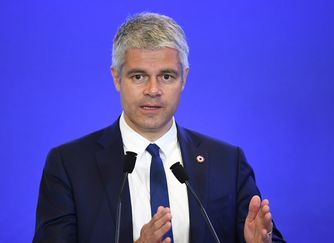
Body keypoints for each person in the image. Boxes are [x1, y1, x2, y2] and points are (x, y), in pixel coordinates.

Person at [33, 12, 285, 243]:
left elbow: (267, 237)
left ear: (184, 78)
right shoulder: (69, 165)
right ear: (116, 78)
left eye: (166, 76)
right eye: (138, 76)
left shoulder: (227, 162)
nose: (153, 90)